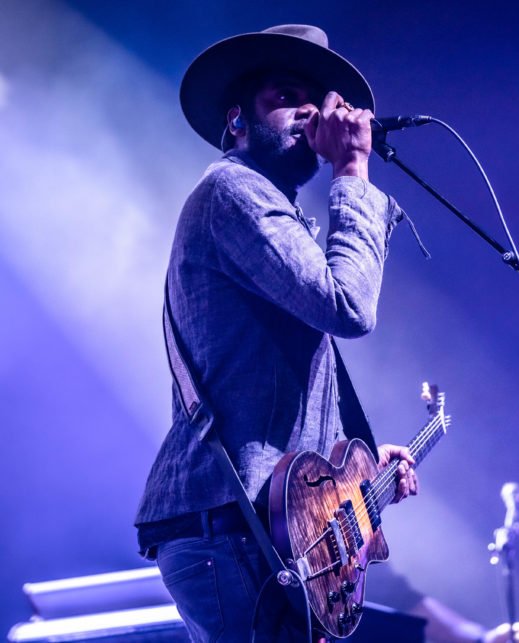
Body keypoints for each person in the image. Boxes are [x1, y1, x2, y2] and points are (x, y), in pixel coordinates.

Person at [134, 25, 417, 641]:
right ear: (237, 119)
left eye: (318, 100)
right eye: (287, 97)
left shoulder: (278, 216)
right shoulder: (231, 191)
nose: (311, 112)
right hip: (231, 530)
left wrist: (360, 477)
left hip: (260, 531)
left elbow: (283, 408)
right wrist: (353, 169)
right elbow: (349, 307)